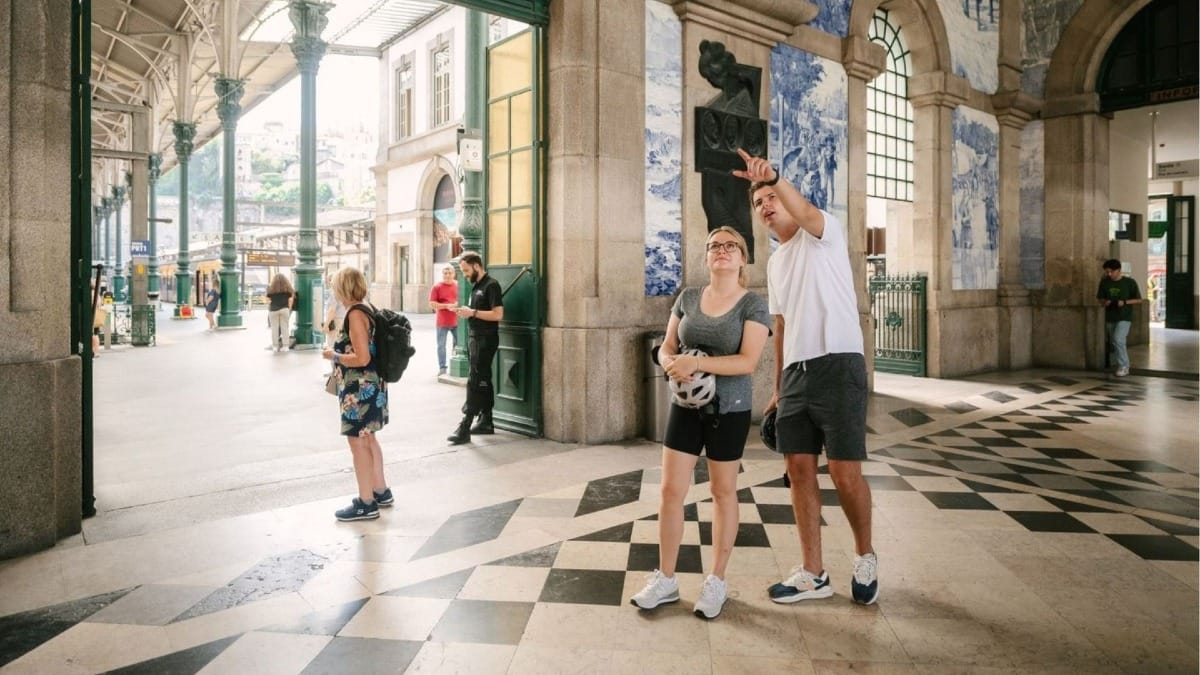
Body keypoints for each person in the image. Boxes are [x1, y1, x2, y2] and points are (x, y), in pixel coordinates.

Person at [734, 147, 879, 606]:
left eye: (771, 197)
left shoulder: (823, 233)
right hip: (796, 372)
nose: (766, 206)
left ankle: (864, 554)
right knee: (798, 470)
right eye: (758, 204)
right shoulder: (776, 263)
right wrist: (777, 387)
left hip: (839, 363)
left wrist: (773, 177)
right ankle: (813, 573)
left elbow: (804, 208)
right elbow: (782, 327)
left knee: (843, 470)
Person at [629, 226, 770, 620]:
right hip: (685, 406)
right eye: (714, 246)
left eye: (731, 246)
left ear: (743, 258)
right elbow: (668, 346)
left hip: (730, 408)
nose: (722, 251)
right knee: (671, 490)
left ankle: (716, 581)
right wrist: (668, 362)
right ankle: (667, 578)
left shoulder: (752, 305)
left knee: (724, 493)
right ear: (706, 257)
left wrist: (699, 363)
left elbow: (747, 361)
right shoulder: (688, 297)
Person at [322, 267, 392, 521]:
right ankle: (380, 490)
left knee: (358, 442)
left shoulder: (354, 314)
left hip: (359, 390)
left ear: (343, 287)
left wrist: (334, 355)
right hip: (372, 386)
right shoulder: (367, 308)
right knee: (369, 439)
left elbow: (362, 357)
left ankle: (366, 502)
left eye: (335, 285)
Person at [447, 252, 503, 445]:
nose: (464, 274)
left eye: (466, 270)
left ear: (477, 266)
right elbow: (477, 313)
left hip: (485, 339)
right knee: (483, 378)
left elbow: (497, 314)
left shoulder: (491, 285)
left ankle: (466, 425)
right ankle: (486, 420)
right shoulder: (476, 287)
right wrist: (466, 312)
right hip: (475, 338)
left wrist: (474, 312)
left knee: (475, 380)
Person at [1096, 259, 1141, 377]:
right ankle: (1122, 365)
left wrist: (1124, 302)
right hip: (1110, 316)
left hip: (1124, 316)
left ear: (1119, 270)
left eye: (1111, 271)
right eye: (1107, 272)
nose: (1109, 274)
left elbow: (1138, 299)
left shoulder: (1130, 282)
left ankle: (1124, 366)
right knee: (1116, 342)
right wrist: (1105, 302)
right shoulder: (1104, 282)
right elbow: (1100, 298)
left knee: (1118, 339)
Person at [429, 265, 460, 375]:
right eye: (445, 273)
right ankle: (442, 368)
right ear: (442, 274)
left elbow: (463, 300)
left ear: (454, 274)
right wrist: (447, 306)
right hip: (442, 322)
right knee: (441, 345)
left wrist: (457, 304)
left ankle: (457, 365)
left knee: (460, 345)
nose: (447, 275)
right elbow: (432, 304)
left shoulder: (458, 285)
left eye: (449, 273)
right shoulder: (437, 287)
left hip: (457, 321)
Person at [266, 273, 295, 352]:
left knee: (274, 329)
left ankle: (275, 346)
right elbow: (290, 300)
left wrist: (270, 306)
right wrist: (289, 308)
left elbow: (268, 301)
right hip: (284, 309)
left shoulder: (270, 288)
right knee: (285, 328)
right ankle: (286, 346)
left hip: (273, 310)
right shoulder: (288, 288)